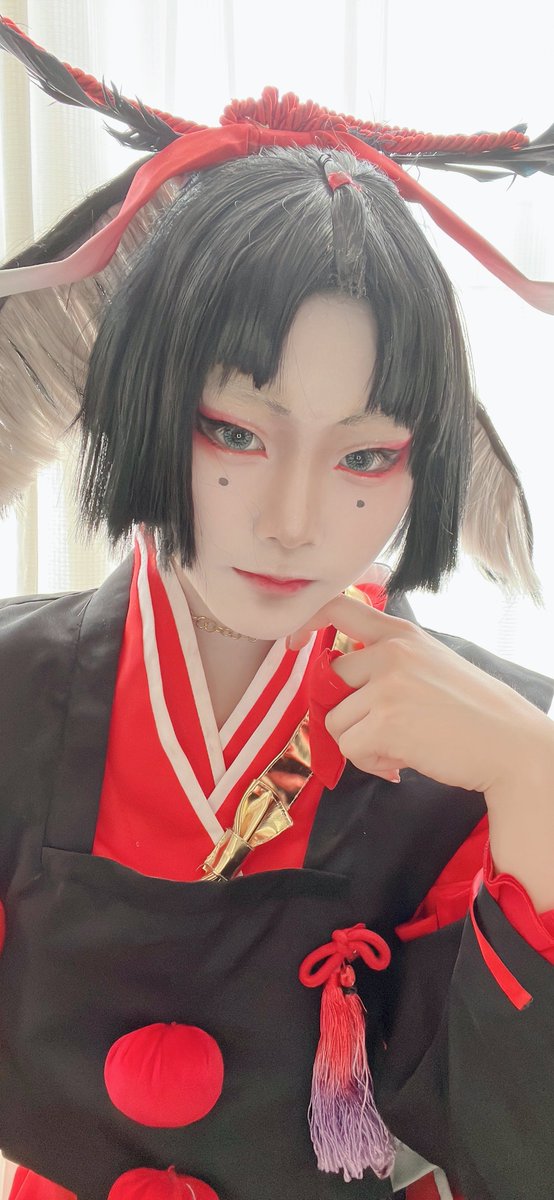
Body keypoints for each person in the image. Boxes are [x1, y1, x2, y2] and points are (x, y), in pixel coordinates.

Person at [0, 17, 553, 1200]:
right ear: (136, 402)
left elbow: (517, 1150)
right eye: (234, 433)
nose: (293, 520)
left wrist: (536, 786)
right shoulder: (13, 689)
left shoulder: (493, 749)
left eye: (365, 457)